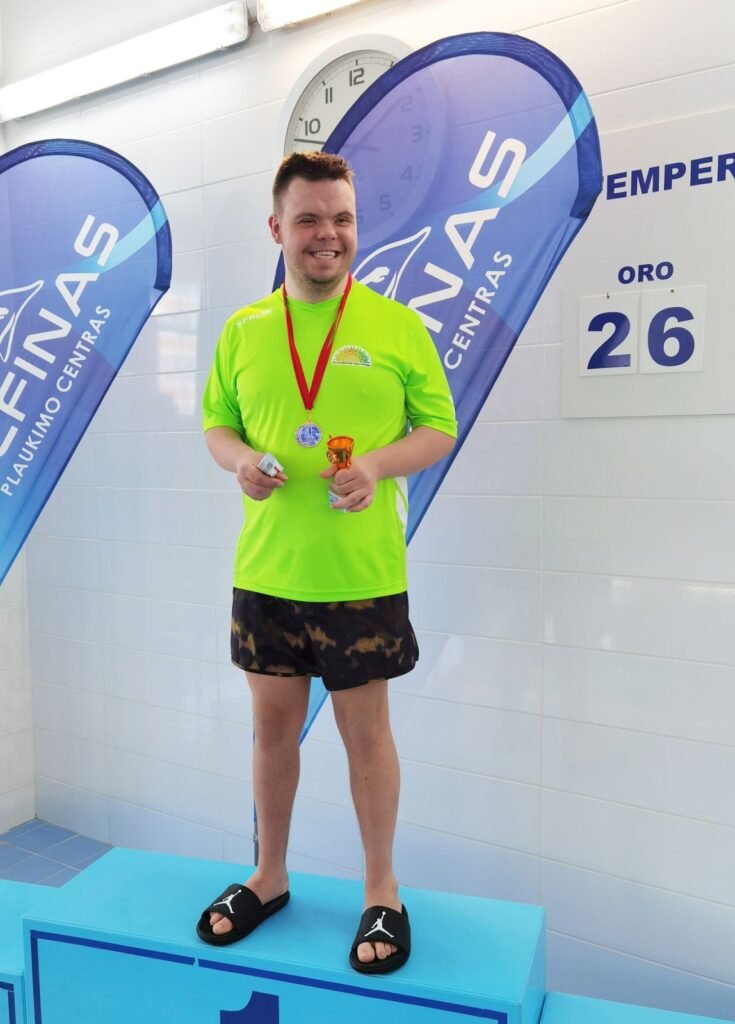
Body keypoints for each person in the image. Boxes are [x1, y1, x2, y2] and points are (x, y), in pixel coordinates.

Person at [196, 151, 456, 974]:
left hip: (360, 577)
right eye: (308, 218)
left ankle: (382, 891)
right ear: (277, 227)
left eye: (341, 218)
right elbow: (217, 425)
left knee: (364, 736)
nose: (327, 234)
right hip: (268, 573)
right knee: (272, 730)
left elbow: (437, 428)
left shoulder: (396, 325)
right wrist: (240, 460)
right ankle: (269, 876)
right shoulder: (244, 330)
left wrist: (376, 464)